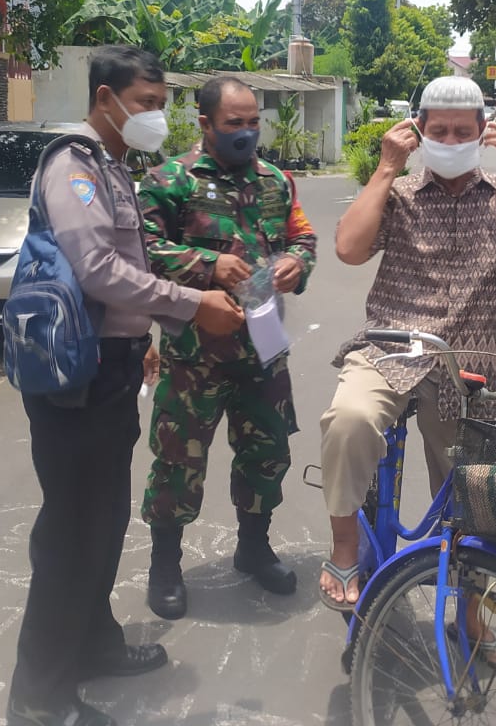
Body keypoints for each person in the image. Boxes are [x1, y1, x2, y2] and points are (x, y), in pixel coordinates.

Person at [7, 46, 244, 726]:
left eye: (163, 105)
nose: (156, 118)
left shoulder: (112, 165)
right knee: (72, 532)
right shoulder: (73, 166)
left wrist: (140, 338)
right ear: (105, 98)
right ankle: (40, 694)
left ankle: (94, 643)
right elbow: (96, 270)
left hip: (109, 365)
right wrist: (189, 303)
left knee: (104, 520)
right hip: (74, 380)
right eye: (146, 104)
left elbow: (120, 278)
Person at [318, 75, 496, 637]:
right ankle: (343, 547)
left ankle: (472, 619)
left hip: (472, 370)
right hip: (390, 352)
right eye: (439, 130)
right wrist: (385, 167)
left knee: (479, 502)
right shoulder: (399, 191)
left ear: (483, 134)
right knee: (349, 420)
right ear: (418, 132)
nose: (450, 140)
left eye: (462, 131)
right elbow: (349, 249)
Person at [139, 75, 318, 620]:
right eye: (233, 124)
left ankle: (254, 547)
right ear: (205, 123)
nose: (246, 133)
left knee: (267, 453)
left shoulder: (276, 181)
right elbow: (140, 251)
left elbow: (301, 238)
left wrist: (296, 264)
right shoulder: (168, 180)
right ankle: (165, 565)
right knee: (177, 462)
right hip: (193, 353)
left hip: (263, 349)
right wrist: (207, 266)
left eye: (253, 123)